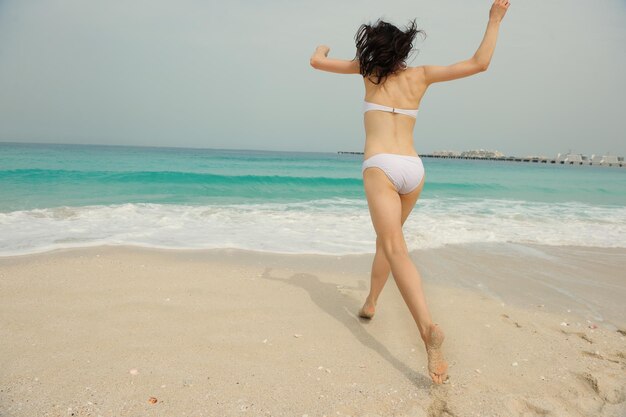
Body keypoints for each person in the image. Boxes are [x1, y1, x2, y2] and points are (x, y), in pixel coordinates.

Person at [309, 0, 510, 385]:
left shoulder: (367, 72)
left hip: (381, 166)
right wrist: (494, 20)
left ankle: (427, 329)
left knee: (394, 246)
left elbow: (316, 62)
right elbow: (479, 63)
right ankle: (370, 302)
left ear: (373, 50)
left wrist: (322, 47)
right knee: (389, 242)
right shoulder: (422, 75)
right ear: (403, 49)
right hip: (413, 170)